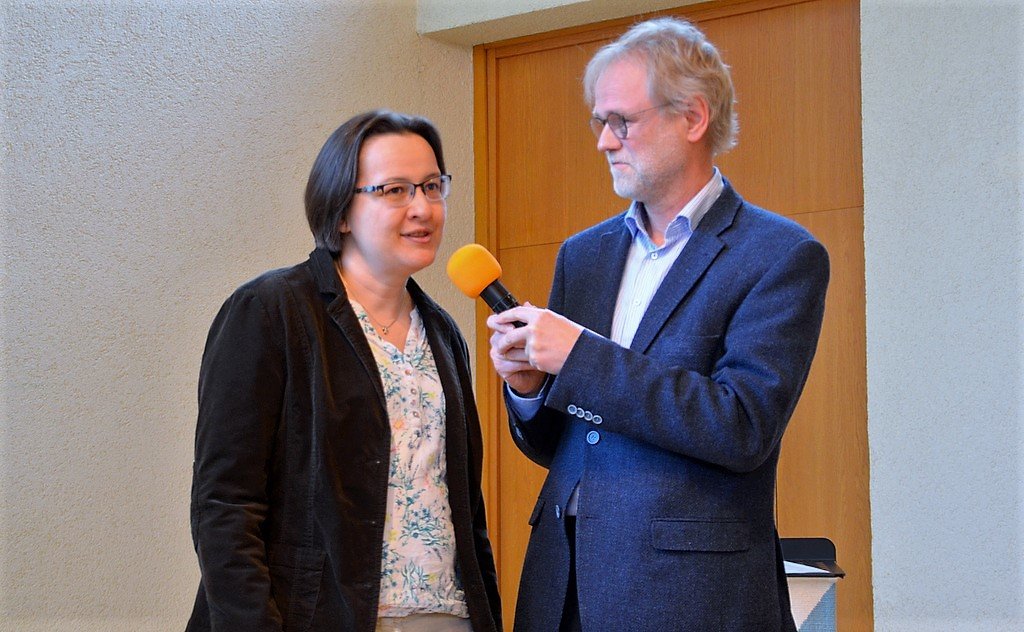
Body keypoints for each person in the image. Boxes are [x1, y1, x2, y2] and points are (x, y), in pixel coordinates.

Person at [487, 17, 829, 632]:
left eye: (622, 122)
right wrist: (530, 390)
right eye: (600, 123)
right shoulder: (583, 255)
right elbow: (567, 444)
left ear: (692, 119)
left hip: (690, 597)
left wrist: (581, 358)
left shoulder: (779, 256)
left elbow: (741, 427)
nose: (605, 142)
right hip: (560, 588)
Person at [188, 110, 501, 632]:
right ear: (341, 213)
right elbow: (225, 504)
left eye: (431, 186)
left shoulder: (443, 332)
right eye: (395, 190)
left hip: (447, 616)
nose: (422, 208)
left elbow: (465, 509)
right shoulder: (270, 311)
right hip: (315, 616)